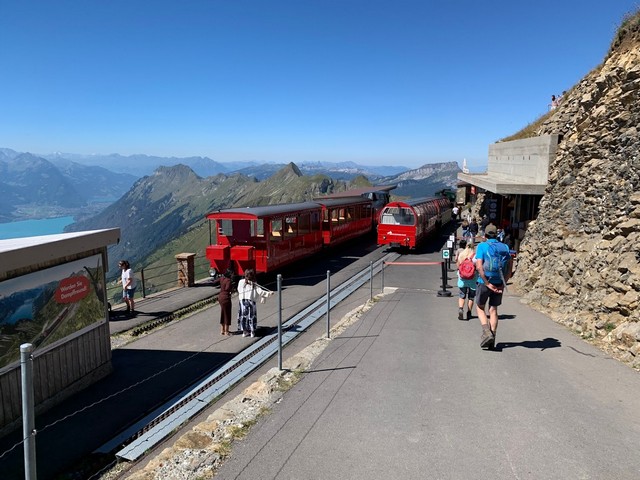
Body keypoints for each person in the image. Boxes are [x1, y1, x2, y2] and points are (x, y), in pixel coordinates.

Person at [475, 225, 513, 349]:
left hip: (485, 281)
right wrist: (503, 283)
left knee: (480, 308)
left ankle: (486, 332)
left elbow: (479, 267)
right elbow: (509, 269)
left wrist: (486, 283)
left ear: (485, 235)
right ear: (497, 235)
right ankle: (493, 339)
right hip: (499, 282)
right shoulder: (505, 247)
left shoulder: (482, 246)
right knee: (493, 310)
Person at [237, 268, 273, 337]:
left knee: (243, 316)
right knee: (251, 316)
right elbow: (261, 292)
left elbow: (238, 290)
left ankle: (244, 332)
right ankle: (252, 332)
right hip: (251, 302)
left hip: (242, 301)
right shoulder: (254, 284)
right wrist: (269, 293)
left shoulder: (241, 282)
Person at [455, 239, 476, 320]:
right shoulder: (474, 256)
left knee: (462, 295)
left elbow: (458, 266)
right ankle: (469, 312)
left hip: (462, 278)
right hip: (473, 279)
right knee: (471, 297)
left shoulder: (462, 254)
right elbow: (477, 267)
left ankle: (461, 308)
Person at [213, 267, 234, 335]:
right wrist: (231, 289)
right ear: (230, 274)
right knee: (227, 314)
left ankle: (222, 330)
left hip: (220, 297)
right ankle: (226, 331)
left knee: (223, 313)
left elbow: (215, 282)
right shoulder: (228, 281)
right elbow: (227, 288)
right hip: (226, 298)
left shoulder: (222, 278)